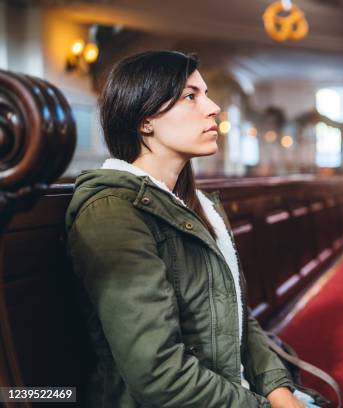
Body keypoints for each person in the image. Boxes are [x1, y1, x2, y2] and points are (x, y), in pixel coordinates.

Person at [65, 50, 317, 408]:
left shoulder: (204, 206)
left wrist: (281, 393)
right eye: (190, 96)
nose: (213, 108)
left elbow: (241, 321)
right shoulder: (112, 212)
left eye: (207, 94)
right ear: (145, 120)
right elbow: (159, 376)